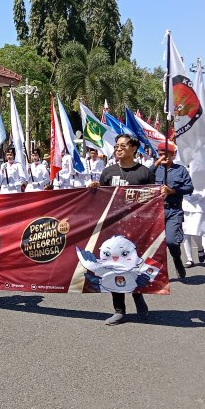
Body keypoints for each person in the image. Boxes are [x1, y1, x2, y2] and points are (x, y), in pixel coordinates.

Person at [90, 134, 154, 326]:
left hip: (136, 228)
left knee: (132, 266)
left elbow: (152, 201)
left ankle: (137, 296)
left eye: (123, 146)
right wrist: (94, 189)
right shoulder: (108, 172)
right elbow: (100, 200)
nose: (118, 149)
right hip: (112, 229)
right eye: (116, 146)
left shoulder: (144, 172)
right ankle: (119, 310)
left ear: (134, 148)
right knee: (113, 268)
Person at [151, 141, 193, 281]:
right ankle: (156, 273)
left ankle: (177, 258)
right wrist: (156, 164)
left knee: (171, 241)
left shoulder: (180, 170)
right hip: (156, 211)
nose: (164, 157)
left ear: (173, 155)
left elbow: (189, 188)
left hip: (173, 209)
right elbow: (143, 178)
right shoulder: (155, 169)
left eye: (167, 155)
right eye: (161, 155)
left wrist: (173, 191)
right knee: (154, 244)